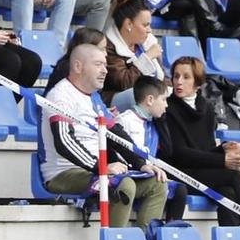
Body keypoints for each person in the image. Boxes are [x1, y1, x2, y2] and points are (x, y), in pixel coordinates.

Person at [38, 42, 165, 228]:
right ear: (78, 66)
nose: (105, 70)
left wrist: (141, 163)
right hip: (64, 173)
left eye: (105, 65)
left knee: (157, 183)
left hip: (95, 170)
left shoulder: (94, 97)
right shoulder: (60, 95)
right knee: (124, 184)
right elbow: (64, 142)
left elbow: (116, 135)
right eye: (98, 64)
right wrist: (101, 167)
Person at [160, 55, 240, 226]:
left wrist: (224, 149)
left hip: (200, 171)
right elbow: (179, 153)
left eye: (186, 77)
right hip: (178, 173)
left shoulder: (207, 108)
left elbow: (206, 150)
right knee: (232, 175)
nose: (179, 81)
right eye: (176, 76)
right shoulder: (168, 107)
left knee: (228, 193)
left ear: (197, 82)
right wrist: (222, 159)